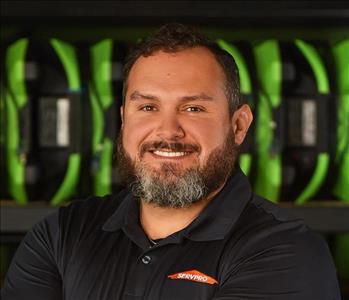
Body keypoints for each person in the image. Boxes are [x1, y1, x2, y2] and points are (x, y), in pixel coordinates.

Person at [2, 23, 341, 300]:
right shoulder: (61, 234)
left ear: (238, 125)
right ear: (124, 119)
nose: (167, 131)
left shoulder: (286, 252)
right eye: (147, 107)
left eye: (193, 108)